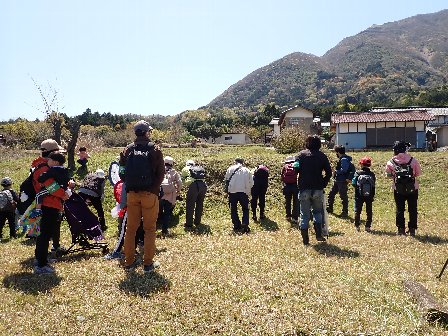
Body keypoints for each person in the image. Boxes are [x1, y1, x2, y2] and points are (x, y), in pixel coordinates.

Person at [119, 120, 164, 273]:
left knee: (131, 229)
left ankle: (129, 262)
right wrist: (153, 189)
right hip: (149, 195)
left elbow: (121, 172)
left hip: (132, 194)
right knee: (150, 229)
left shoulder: (127, 150)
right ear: (146, 133)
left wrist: (131, 185)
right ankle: (148, 264)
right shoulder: (155, 149)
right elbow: (160, 173)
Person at [31, 139, 70, 274]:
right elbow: (51, 186)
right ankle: (41, 265)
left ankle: (42, 259)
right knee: (44, 234)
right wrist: (63, 194)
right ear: (51, 153)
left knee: (45, 233)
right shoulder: (43, 168)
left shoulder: (43, 166)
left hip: (50, 203)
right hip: (49, 204)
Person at [295, 135, 332, 245]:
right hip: (318, 188)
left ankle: (305, 240)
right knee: (317, 212)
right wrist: (323, 183)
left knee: (304, 214)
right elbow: (329, 173)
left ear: (307, 143)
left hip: (304, 188)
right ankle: (318, 235)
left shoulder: (300, 155)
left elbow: (295, 169)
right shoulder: (322, 156)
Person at [385, 141, 422, 236]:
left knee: (400, 209)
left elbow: (388, 176)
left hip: (398, 188)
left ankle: (401, 229)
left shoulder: (390, 162)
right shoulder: (413, 160)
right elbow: (418, 174)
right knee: (413, 209)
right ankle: (412, 229)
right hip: (412, 188)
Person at [224, 158, 253, 233]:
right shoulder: (247, 170)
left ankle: (236, 225)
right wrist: (249, 192)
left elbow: (226, 180)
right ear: (242, 163)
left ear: (235, 162)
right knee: (245, 209)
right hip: (243, 192)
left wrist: (226, 191)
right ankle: (245, 224)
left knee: (233, 209)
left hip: (232, 192)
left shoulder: (230, 169)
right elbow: (251, 183)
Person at [327, 145, 353, 217]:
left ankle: (345, 212)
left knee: (343, 196)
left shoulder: (344, 159)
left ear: (338, 152)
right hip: (338, 180)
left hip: (342, 180)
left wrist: (336, 171)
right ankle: (329, 208)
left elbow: (344, 170)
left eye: (336, 152)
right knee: (331, 194)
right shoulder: (344, 158)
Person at [181, 160, 207, 229]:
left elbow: (183, 180)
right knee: (200, 204)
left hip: (194, 186)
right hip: (203, 186)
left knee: (190, 205)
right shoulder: (198, 168)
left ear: (187, 164)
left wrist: (186, 185)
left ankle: (189, 224)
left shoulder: (185, 168)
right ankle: (197, 222)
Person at [159, 156, 182, 235]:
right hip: (170, 196)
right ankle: (164, 230)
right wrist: (177, 191)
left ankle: (154, 226)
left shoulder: (159, 170)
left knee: (157, 211)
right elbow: (180, 183)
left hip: (159, 195)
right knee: (167, 213)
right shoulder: (174, 172)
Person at [352, 156, 376, 232]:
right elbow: (374, 185)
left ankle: (357, 226)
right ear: (369, 165)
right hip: (369, 195)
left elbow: (353, 183)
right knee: (369, 211)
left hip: (359, 195)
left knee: (357, 211)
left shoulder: (357, 173)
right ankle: (368, 226)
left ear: (361, 164)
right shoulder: (372, 174)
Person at [281, 156, 299, 224]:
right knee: (295, 202)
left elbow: (282, 176)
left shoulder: (285, 166)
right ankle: (295, 218)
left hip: (287, 186)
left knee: (288, 201)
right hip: (295, 185)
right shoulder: (296, 165)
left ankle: (288, 216)